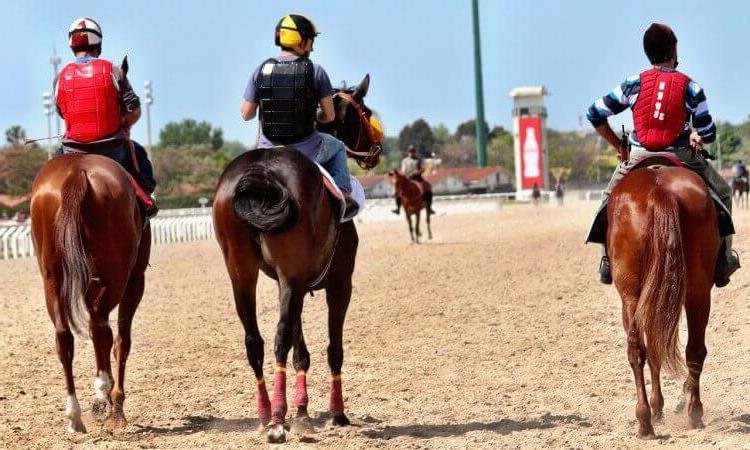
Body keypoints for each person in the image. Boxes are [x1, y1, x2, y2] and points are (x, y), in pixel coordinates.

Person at [585, 23, 739, 287]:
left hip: (638, 155)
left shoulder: (632, 83)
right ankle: (724, 259)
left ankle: (607, 261)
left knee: (608, 200)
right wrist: (697, 136)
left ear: (648, 53)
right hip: (681, 154)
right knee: (724, 192)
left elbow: (595, 113)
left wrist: (619, 147)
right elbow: (708, 130)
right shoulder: (691, 87)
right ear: (673, 49)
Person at [240, 14, 357, 214]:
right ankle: (345, 196)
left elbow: (246, 114)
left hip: (267, 153)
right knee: (337, 147)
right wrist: (315, 115)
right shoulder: (316, 71)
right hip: (307, 152)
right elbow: (329, 117)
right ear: (301, 41)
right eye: (311, 41)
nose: (312, 48)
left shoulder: (260, 70)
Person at [54, 17, 157, 217]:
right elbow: (134, 109)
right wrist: (124, 122)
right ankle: (146, 201)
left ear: (72, 46)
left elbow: (61, 112)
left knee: (50, 169)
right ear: (98, 44)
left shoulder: (60, 77)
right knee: (140, 154)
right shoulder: (114, 71)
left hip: (71, 150)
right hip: (113, 150)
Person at [391, 145, 436, 215]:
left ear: (415, 152)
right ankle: (398, 208)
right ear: (408, 152)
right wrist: (402, 174)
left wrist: (417, 172)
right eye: (410, 152)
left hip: (417, 178)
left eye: (413, 152)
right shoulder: (404, 161)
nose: (412, 153)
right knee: (398, 189)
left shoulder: (418, 160)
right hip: (407, 179)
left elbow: (423, 169)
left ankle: (429, 207)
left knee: (427, 186)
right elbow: (403, 170)